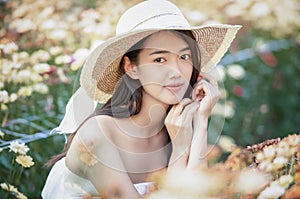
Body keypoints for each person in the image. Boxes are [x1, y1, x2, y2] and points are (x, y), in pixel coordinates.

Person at [41, 0, 241, 198]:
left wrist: (201, 121)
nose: (176, 72)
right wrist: (179, 148)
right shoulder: (96, 135)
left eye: (184, 57)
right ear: (132, 68)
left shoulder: (176, 125)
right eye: (159, 59)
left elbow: (200, 194)